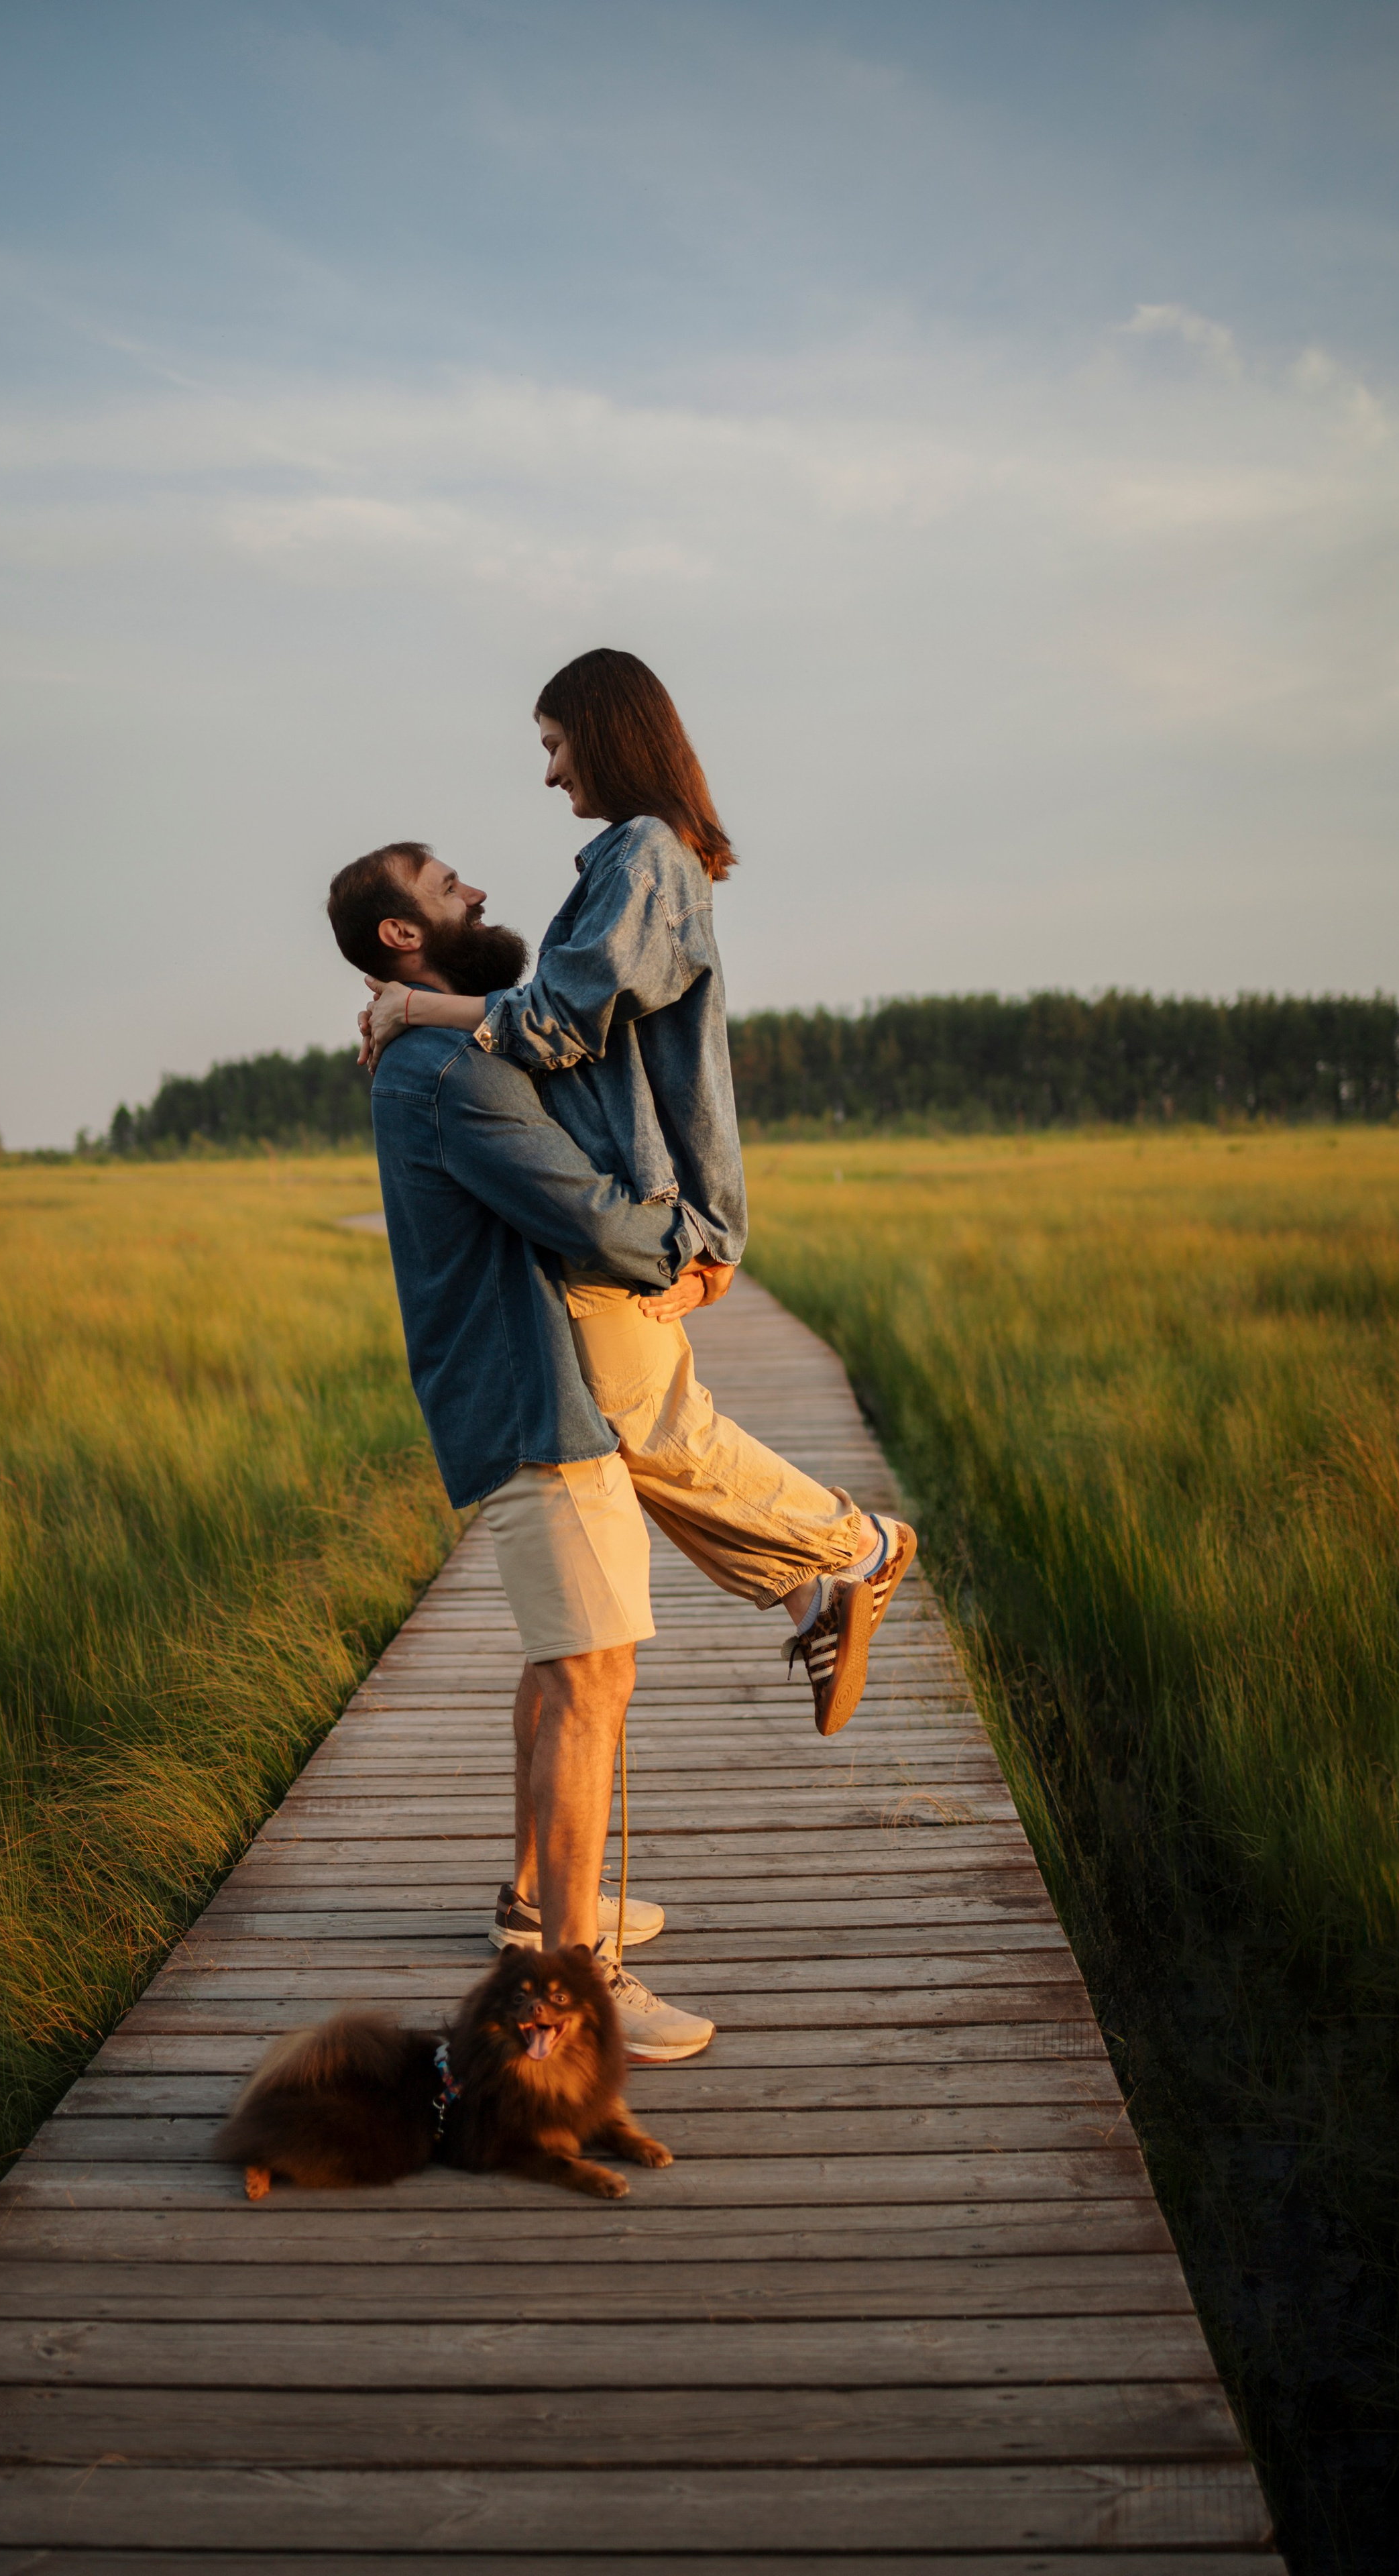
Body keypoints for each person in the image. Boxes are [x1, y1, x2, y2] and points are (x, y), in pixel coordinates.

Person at [358, 649, 916, 1737]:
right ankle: (815, 1591)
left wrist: (416, 1014)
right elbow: (552, 1019)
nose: (552, 774)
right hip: (632, 1198)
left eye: (557, 745)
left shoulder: (649, 858)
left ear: (608, 736)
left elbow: (556, 1021)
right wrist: (406, 1013)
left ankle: (857, 1551)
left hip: (649, 1198)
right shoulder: (628, 862)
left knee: (653, 1428)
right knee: (645, 1432)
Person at [327, 845, 716, 2064]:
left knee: (564, 1669)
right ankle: (571, 1973)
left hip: (515, 1398)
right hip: (536, 1403)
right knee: (593, 1680)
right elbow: (584, 1212)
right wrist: (689, 1255)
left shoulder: (431, 1046)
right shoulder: (446, 1069)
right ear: (402, 939)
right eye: (448, 889)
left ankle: (534, 1903)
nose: (479, 893)